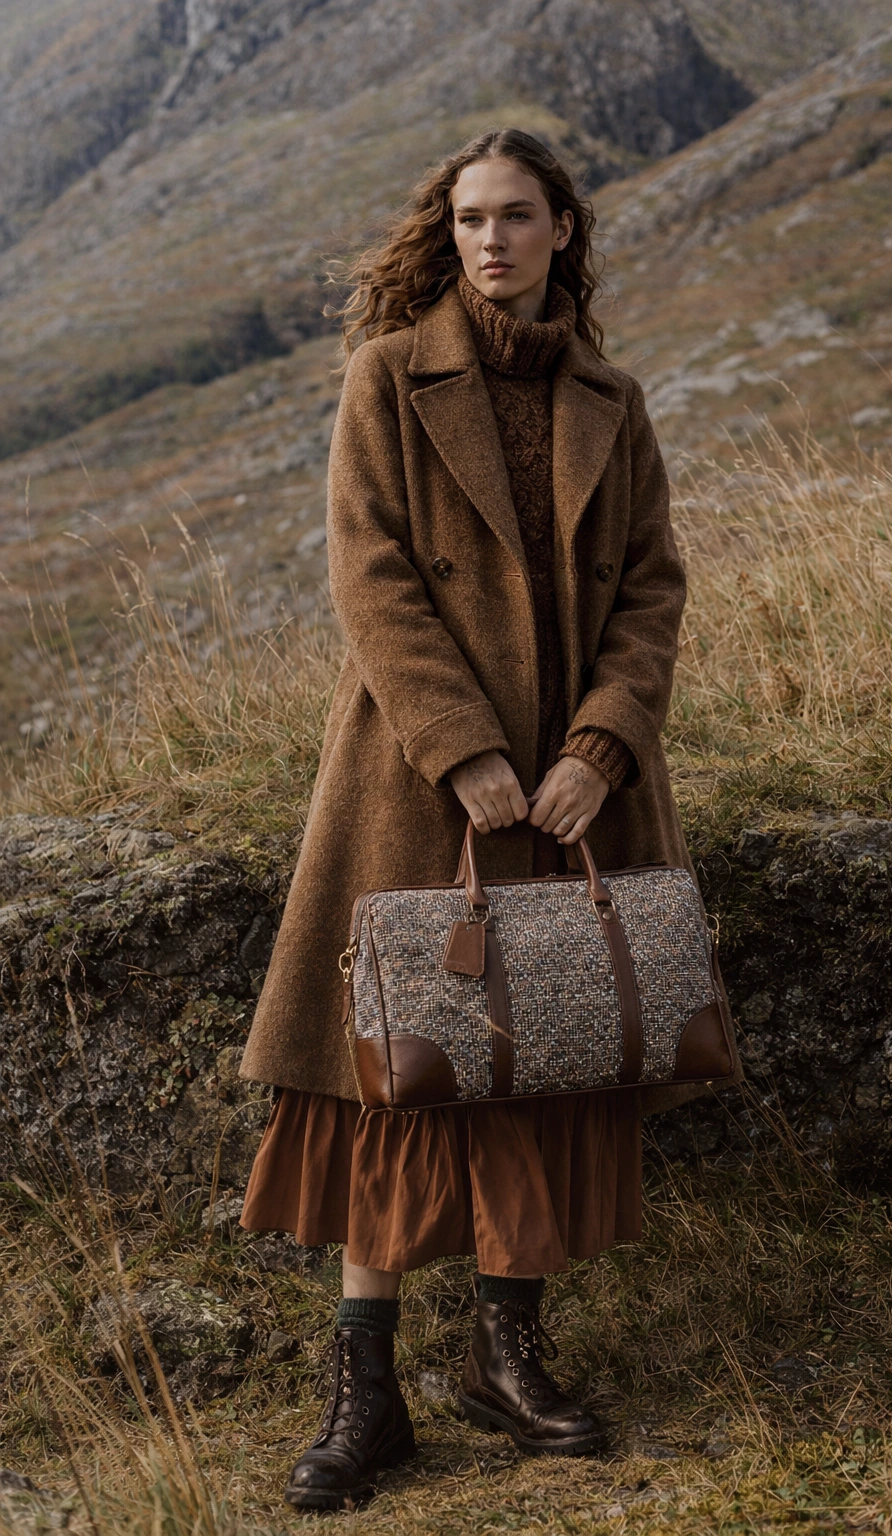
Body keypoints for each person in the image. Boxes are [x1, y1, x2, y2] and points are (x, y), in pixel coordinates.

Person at [238, 127, 690, 1512]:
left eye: (516, 216)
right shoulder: (389, 377)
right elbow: (369, 573)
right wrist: (468, 752)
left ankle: (509, 1357)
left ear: (564, 228)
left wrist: (602, 748)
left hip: (574, 791)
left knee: (541, 1059)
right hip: (418, 779)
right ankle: (365, 1397)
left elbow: (653, 591)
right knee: (390, 1079)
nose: (490, 239)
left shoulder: (612, 397)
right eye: (469, 218)